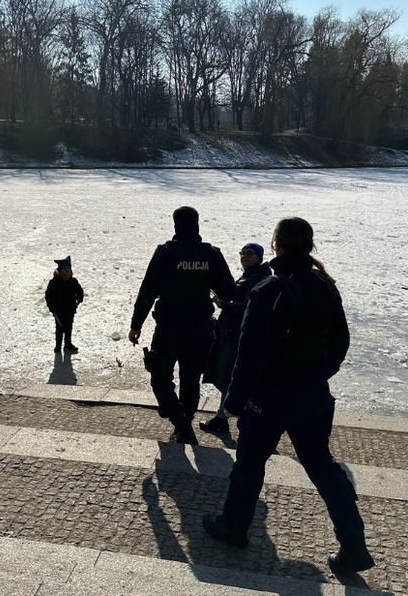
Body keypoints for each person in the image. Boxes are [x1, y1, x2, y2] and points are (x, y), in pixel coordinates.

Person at [202, 217, 374, 576]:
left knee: (249, 464)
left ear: (276, 245)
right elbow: (340, 343)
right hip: (312, 395)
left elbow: (248, 355)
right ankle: (354, 545)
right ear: (309, 245)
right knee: (322, 466)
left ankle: (234, 527)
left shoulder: (268, 290)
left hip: (268, 399)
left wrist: (233, 401)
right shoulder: (325, 285)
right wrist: (316, 375)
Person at [129, 206, 235, 445]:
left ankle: (180, 422)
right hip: (200, 330)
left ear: (175, 225)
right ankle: (183, 422)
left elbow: (147, 291)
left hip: (168, 328)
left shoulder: (166, 253)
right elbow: (229, 290)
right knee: (190, 380)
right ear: (197, 224)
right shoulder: (211, 254)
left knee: (159, 378)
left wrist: (136, 325)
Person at [200, 242, 273, 435]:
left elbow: (248, 308)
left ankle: (228, 420)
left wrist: (224, 305)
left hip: (238, 338)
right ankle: (223, 418)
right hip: (233, 335)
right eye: (242, 253)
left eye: (250, 254)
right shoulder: (251, 276)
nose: (244, 257)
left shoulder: (258, 279)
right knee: (231, 378)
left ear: (259, 256)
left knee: (232, 379)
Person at [45, 256, 84, 354]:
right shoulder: (54, 283)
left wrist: (79, 299)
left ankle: (68, 344)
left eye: (69, 269)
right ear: (60, 270)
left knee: (68, 327)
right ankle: (58, 346)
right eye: (65, 269)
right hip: (58, 311)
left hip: (70, 309)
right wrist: (51, 308)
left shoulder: (73, 281)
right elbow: (48, 296)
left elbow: (80, 291)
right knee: (59, 328)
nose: (67, 271)